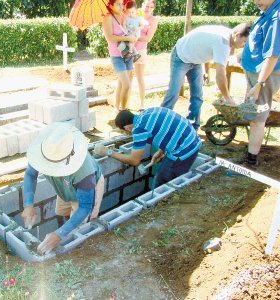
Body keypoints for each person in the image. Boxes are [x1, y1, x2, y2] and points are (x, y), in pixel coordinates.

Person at [21, 122, 104, 255]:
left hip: (86, 190)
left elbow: (85, 207)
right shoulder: (45, 151)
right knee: (61, 213)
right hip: (65, 187)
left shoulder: (84, 171)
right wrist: (28, 205)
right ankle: (65, 237)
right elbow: (30, 174)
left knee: (81, 226)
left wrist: (59, 235)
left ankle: (78, 250)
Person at [161, 23, 252, 130]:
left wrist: (207, 71)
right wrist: (228, 98)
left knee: (197, 96)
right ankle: (159, 123)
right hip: (181, 56)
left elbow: (206, 47)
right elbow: (220, 75)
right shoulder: (223, 42)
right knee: (173, 94)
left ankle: (192, 128)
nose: (244, 45)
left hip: (196, 60)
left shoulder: (228, 37)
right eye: (244, 41)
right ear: (237, 35)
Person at [94, 108, 201, 187]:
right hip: (192, 139)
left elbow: (134, 160)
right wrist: (161, 151)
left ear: (127, 127)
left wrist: (108, 152)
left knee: (162, 180)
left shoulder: (139, 129)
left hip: (185, 150)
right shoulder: (146, 113)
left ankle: (159, 207)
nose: (126, 134)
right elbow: (166, 130)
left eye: (124, 131)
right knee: (164, 177)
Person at [239, 0, 280, 168]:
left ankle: (251, 161)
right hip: (255, 74)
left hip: (263, 77)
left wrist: (260, 84)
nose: (256, 1)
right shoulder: (268, 11)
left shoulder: (277, 16)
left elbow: (272, 55)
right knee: (252, 115)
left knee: (257, 119)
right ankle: (250, 152)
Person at [102, 0, 138, 112]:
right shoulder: (108, 18)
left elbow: (128, 31)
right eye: (118, 4)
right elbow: (110, 38)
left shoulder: (123, 16)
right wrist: (127, 38)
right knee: (126, 84)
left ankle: (117, 107)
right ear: (111, 5)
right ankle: (124, 111)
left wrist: (132, 36)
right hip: (116, 55)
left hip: (127, 53)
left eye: (122, 4)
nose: (121, 6)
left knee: (122, 83)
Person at [131, 0, 158, 111]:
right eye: (146, 6)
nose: (148, 9)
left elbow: (148, 38)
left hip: (140, 50)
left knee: (140, 78)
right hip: (128, 48)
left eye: (151, 7)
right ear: (142, 5)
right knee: (126, 78)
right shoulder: (134, 13)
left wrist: (135, 36)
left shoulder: (153, 20)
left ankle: (142, 104)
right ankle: (125, 104)